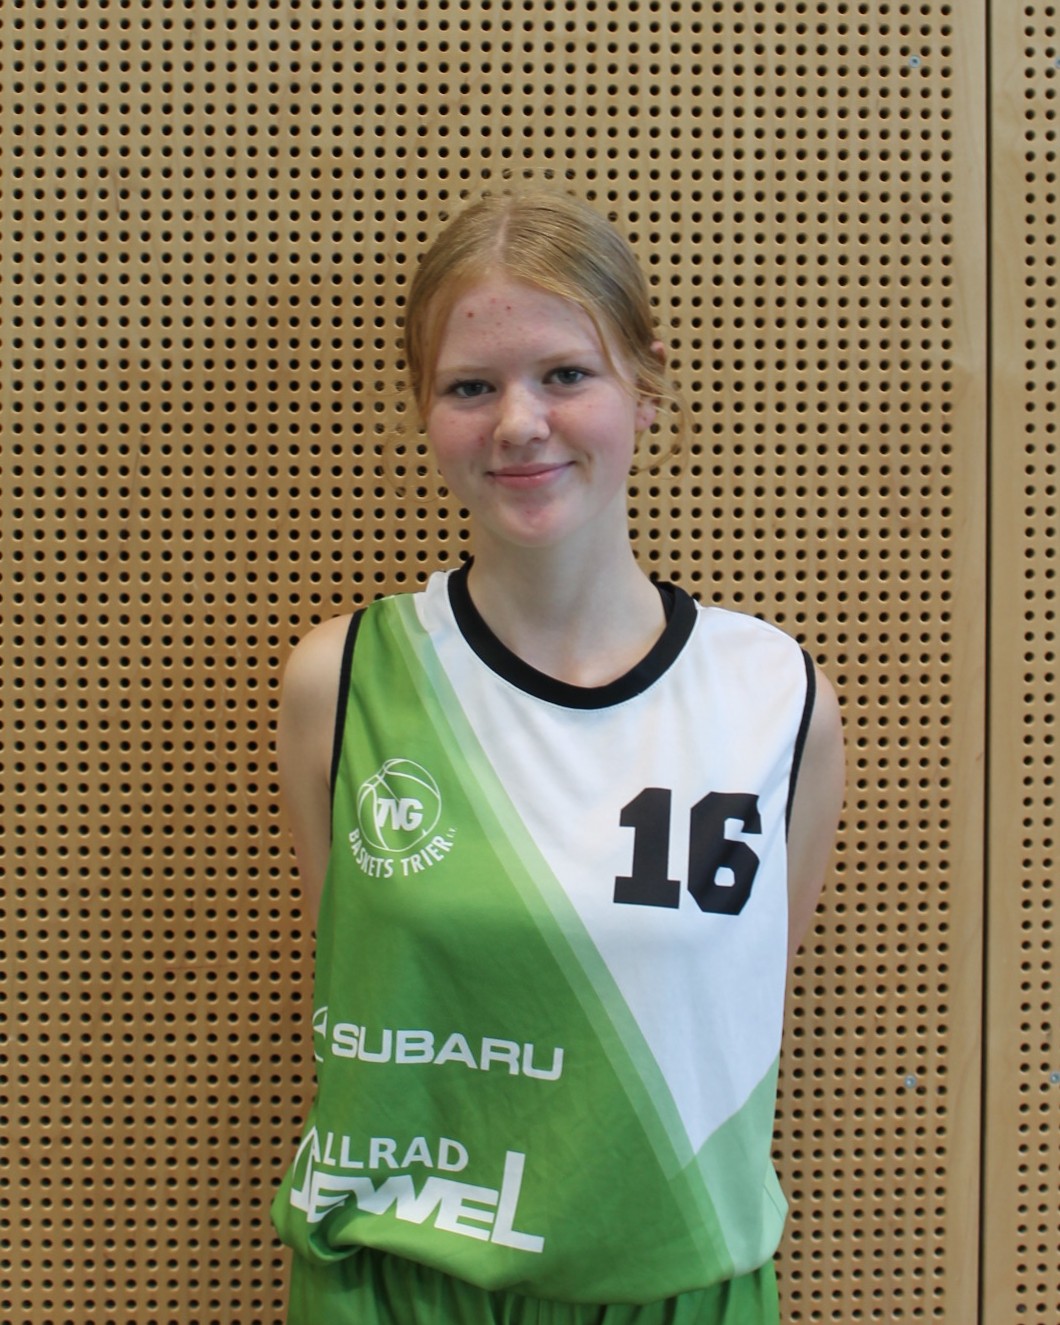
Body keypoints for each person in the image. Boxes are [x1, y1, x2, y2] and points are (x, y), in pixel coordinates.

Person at [270, 189, 845, 1325]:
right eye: (470, 387)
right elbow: (360, 977)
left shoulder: (776, 700)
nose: (519, 423)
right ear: (423, 408)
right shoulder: (341, 682)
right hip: (396, 1290)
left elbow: (730, 1013)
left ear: (646, 385)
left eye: (566, 374)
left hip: (675, 1288)